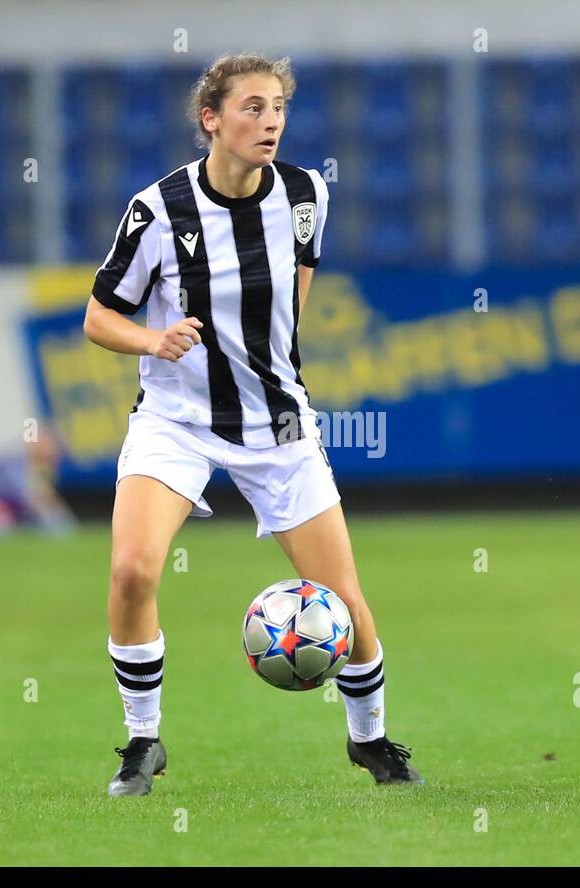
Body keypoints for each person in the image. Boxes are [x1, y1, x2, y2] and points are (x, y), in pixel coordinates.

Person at [83, 52, 423, 796]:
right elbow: (99, 315)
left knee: (343, 598)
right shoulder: (157, 210)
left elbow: (295, 292)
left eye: (277, 108)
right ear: (211, 118)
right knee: (133, 568)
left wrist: (267, 362)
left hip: (276, 423)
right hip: (176, 419)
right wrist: (152, 340)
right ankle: (142, 740)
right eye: (251, 108)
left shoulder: (306, 193)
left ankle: (371, 743)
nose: (269, 122)